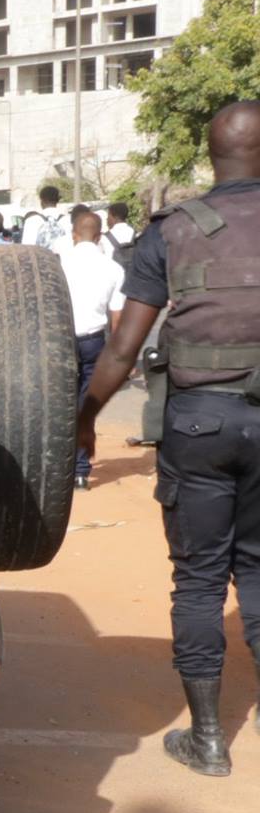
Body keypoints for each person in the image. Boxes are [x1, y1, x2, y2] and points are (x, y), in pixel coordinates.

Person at [77, 100, 260, 778]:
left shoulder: (173, 230)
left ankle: (208, 740)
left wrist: (86, 416)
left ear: (212, 157)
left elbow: (123, 349)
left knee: (201, 580)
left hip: (199, 424)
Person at [57, 207, 125, 489]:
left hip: (59, 340)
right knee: (86, 406)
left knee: (60, 405)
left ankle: (58, 469)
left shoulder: (58, 263)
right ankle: (81, 472)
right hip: (94, 341)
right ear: (99, 237)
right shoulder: (114, 269)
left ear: (74, 235)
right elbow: (117, 316)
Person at [20, 185, 66, 251]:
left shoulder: (32, 221)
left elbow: (26, 249)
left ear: (41, 200)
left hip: (41, 260)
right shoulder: (68, 220)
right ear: (57, 200)